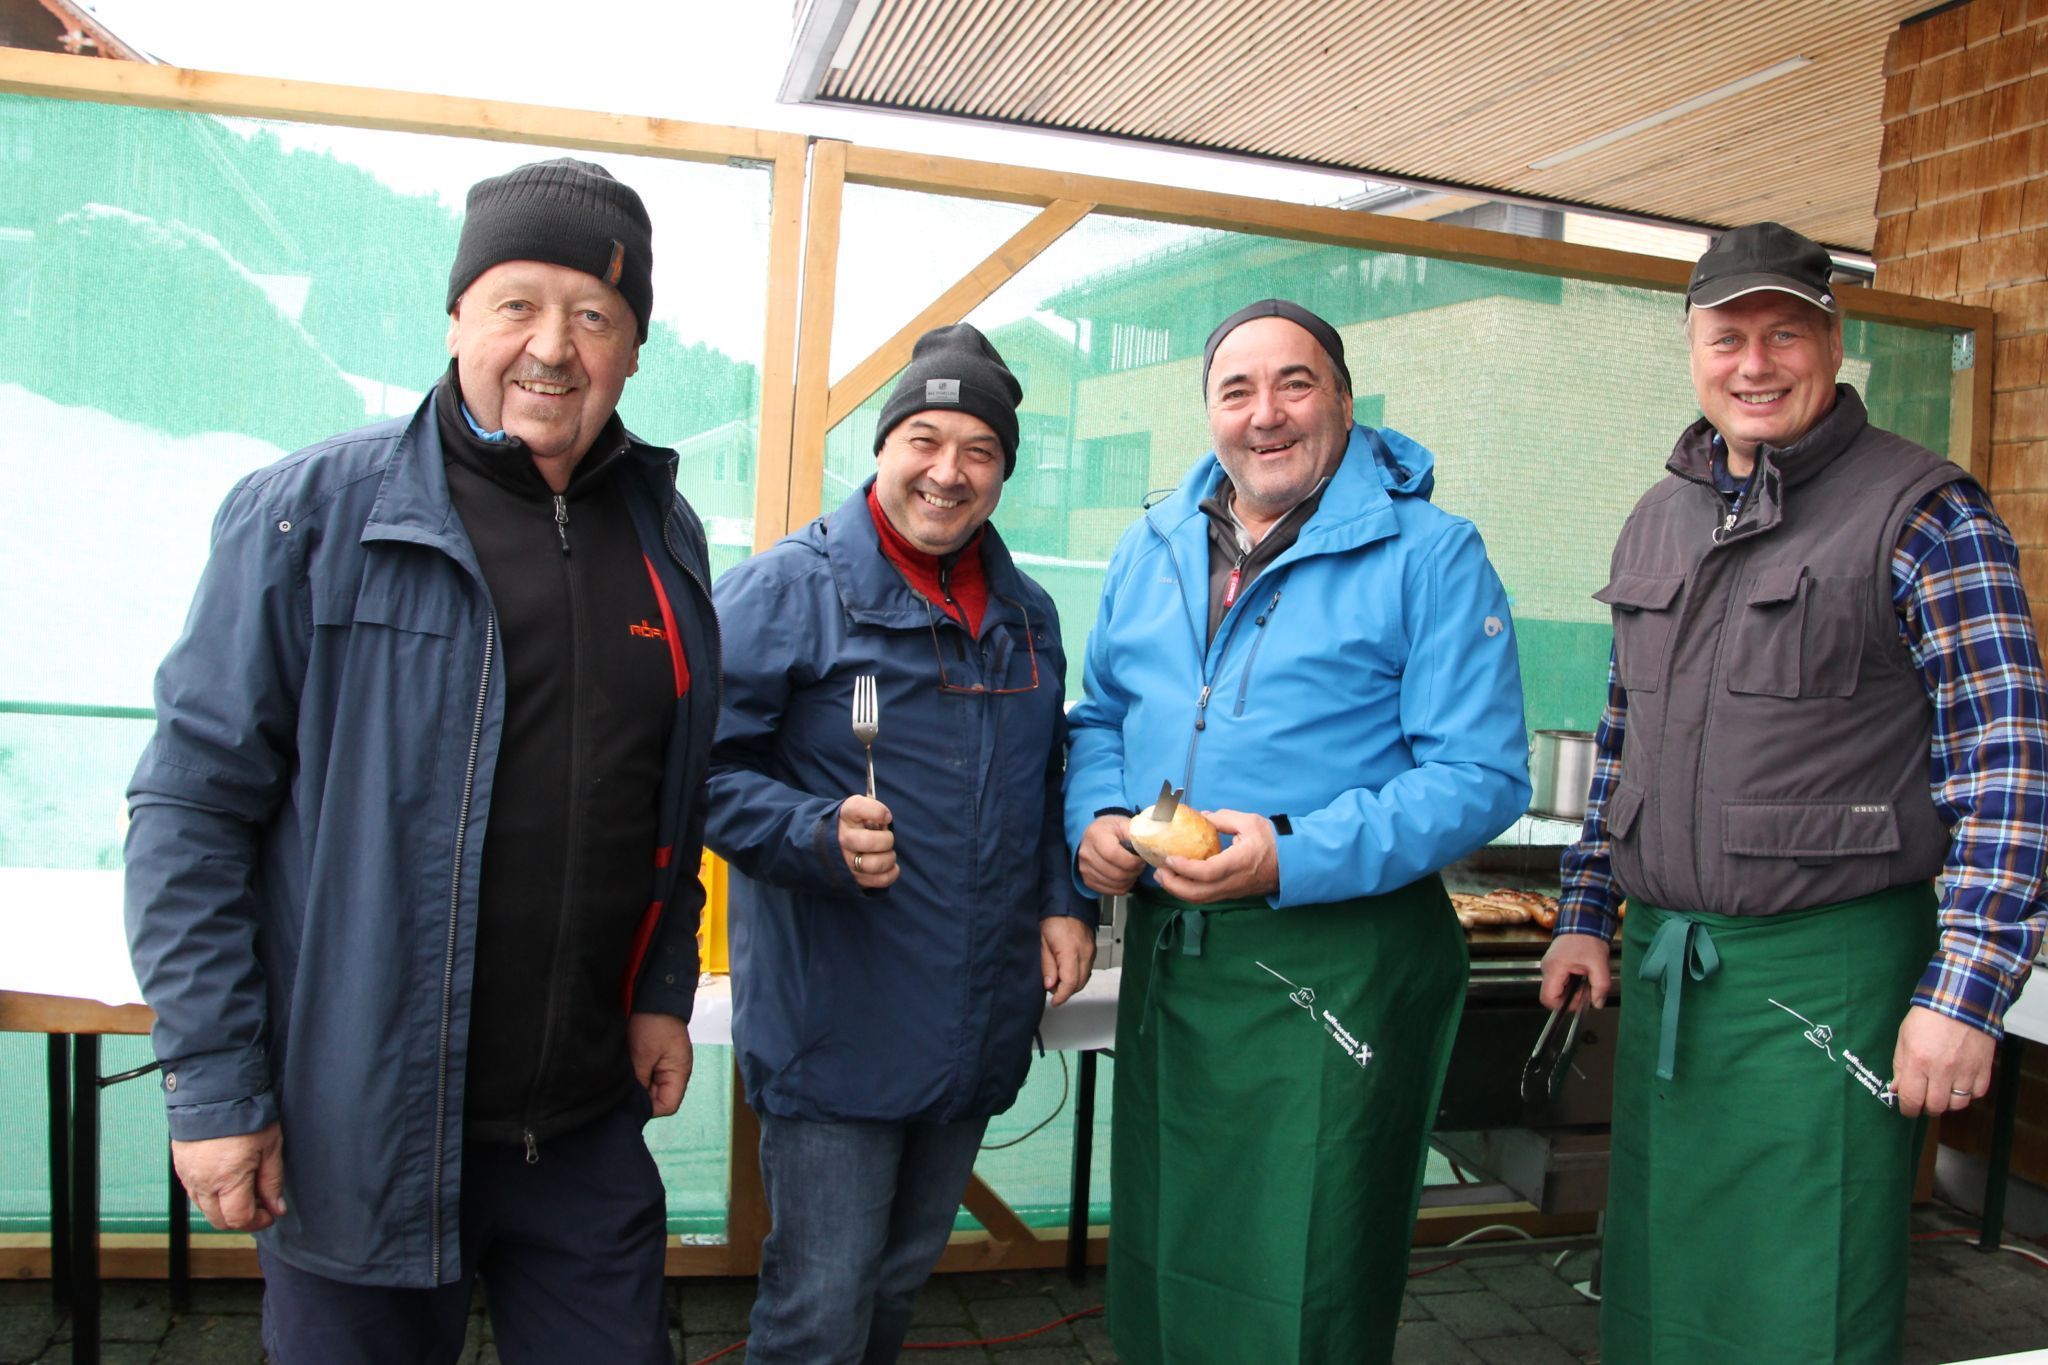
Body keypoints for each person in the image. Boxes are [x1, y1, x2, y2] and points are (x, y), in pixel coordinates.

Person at [125, 158, 718, 1365]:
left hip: (582, 1133)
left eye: (595, 315)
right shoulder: (311, 515)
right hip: (361, 1130)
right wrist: (219, 1089)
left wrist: (659, 987)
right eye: (516, 303)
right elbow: (189, 811)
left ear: (636, 348)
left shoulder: (663, 532)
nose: (552, 347)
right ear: (456, 318)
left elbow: (667, 798)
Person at [1543, 221, 2048, 1363]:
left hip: (1831, 975)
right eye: (1728, 336)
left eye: (1785, 333)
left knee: (1797, 1291)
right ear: (1690, 348)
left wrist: (1962, 992)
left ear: (1833, 340)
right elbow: (1627, 733)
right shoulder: (1657, 512)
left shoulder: (1925, 513)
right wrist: (1584, 913)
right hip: (1673, 969)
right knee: (1666, 1282)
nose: (1754, 363)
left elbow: (2007, 760)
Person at [1063, 299, 1530, 1363]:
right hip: (1177, 971)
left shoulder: (1431, 554)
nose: (1264, 415)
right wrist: (1091, 814)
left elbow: (1479, 774)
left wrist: (1289, 853)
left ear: (1344, 401)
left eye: (1294, 383)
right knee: (1168, 1239)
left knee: (1305, 1260)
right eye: (1236, 391)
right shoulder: (1153, 546)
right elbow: (1100, 714)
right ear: (1208, 414)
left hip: (1339, 966)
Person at [705, 323, 1097, 1365]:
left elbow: (1048, 775)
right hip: (836, 1022)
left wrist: (1066, 897)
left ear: (1003, 471)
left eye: (979, 450)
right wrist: (808, 831)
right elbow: (686, 772)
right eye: (924, 437)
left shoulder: (1026, 614)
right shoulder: (784, 591)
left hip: (971, 1018)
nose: (947, 471)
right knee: (818, 1311)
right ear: (881, 448)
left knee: (891, 1289)